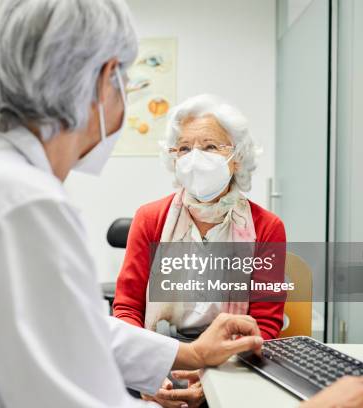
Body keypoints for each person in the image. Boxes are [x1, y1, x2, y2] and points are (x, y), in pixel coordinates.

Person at [0, 0, 363, 407]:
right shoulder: (22, 206)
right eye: (126, 82)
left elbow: (77, 329)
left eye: (209, 147)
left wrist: (189, 355)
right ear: (106, 79)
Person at [113, 95, 285, 406]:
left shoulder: (267, 228)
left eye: (209, 147)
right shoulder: (149, 219)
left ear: (236, 157)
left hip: (232, 359)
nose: (195, 158)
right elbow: (127, 310)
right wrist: (148, 373)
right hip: (159, 348)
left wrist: (213, 382)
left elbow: (266, 325)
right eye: (184, 148)